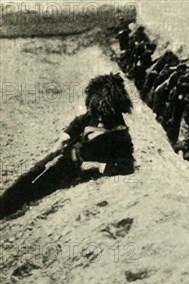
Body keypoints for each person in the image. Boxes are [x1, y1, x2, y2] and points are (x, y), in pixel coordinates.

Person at [0, 74, 135, 218]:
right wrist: (63, 138)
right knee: (26, 180)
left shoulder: (121, 137)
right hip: (62, 158)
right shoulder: (96, 115)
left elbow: (127, 166)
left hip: (73, 174)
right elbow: (78, 122)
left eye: (101, 115)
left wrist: (97, 165)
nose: (99, 119)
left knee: (35, 190)